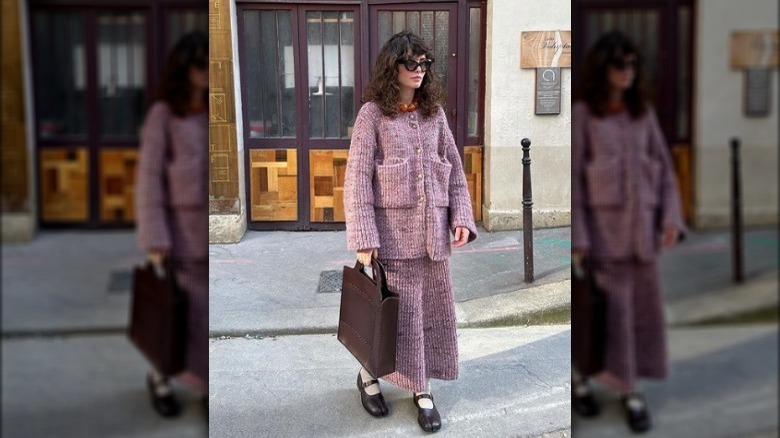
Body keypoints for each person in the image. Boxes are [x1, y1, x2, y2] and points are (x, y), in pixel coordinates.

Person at [343, 30, 477, 433]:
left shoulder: (433, 115)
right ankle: (368, 377)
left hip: (432, 241)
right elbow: (357, 179)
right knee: (384, 318)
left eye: (424, 63)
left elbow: (453, 169)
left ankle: (422, 388)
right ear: (393, 67)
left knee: (427, 320)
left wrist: (462, 217)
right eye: (411, 63)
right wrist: (364, 239)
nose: (419, 70)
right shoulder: (372, 115)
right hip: (392, 241)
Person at [571, 31, 686, 433]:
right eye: (620, 64)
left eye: (633, 64)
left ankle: (603, 382)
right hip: (604, 242)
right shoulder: (585, 116)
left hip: (643, 240)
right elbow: (576, 184)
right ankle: (621, 390)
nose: (628, 72)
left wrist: (670, 217)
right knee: (607, 320)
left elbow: (664, 169)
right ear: (603, 69)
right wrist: (579, 241)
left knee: (640, 320)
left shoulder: (642, 115)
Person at [135, 31, 209, 418]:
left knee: (198, 321)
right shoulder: (164, 115)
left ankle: (200, 383)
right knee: (168, 315)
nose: (206, 74)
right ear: (184, 69)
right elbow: (149, 180)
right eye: (198, 65)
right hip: (178, 241)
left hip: (207, 243)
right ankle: (158, 376)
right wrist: (155, 238)